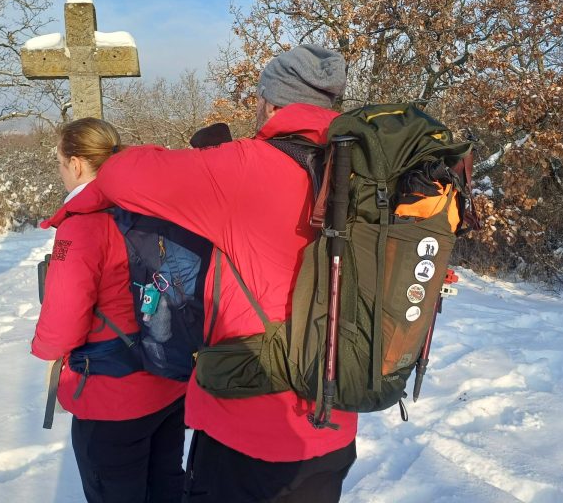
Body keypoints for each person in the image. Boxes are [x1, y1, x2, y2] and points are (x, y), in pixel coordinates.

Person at [57, 45, 357, 503]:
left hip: (248, 424)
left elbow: (119, 175)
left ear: (271, 102)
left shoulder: (246, 166)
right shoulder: (359, 171)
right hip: (334, 417)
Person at [31, 118, 186, 503]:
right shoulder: (153, 207)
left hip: (112, 398)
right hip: (169, 379)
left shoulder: (82, 226)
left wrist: (44, 348)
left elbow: (62, 327)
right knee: (166, 487)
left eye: (60, 162)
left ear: (78, 163)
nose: (61, 171)